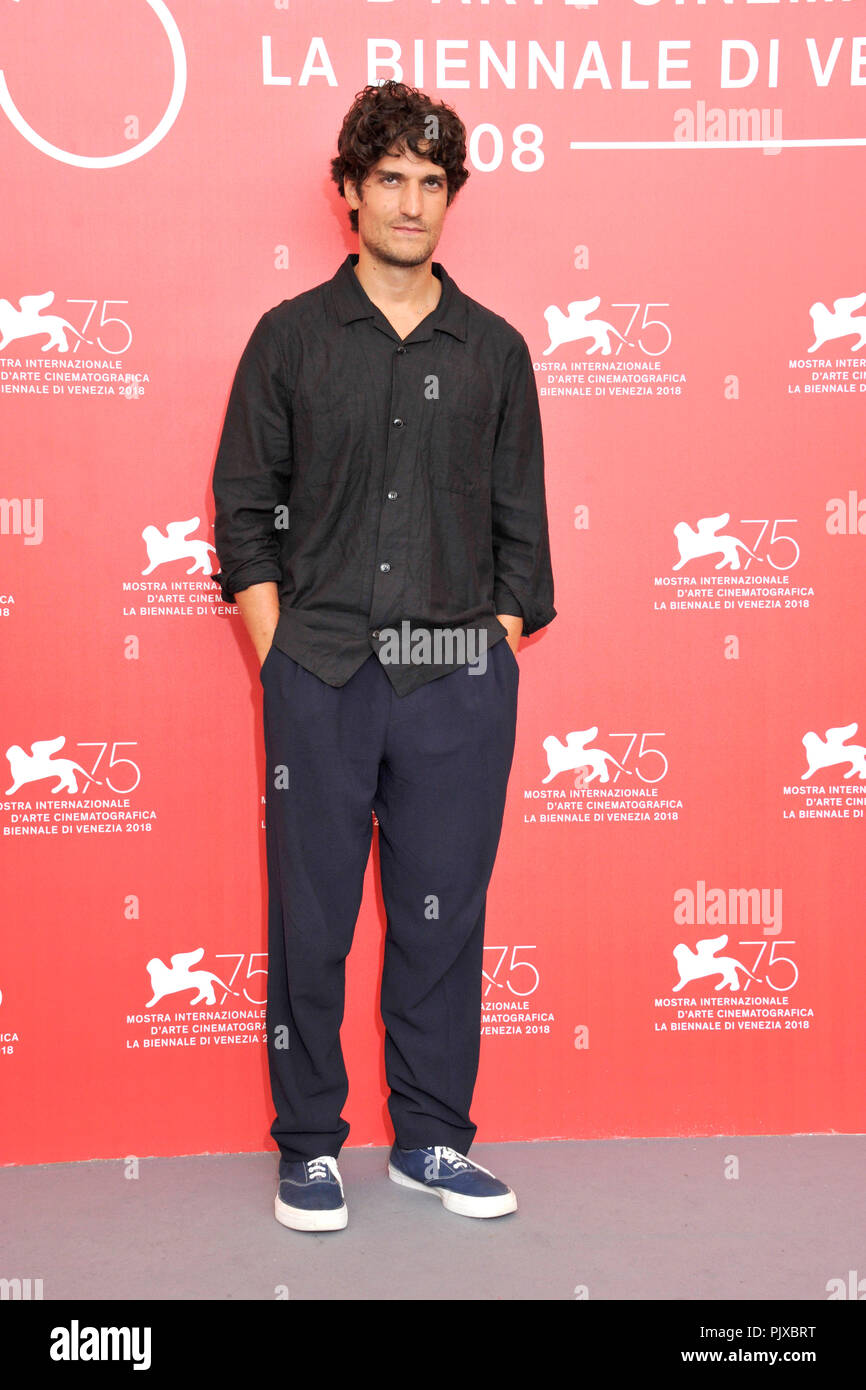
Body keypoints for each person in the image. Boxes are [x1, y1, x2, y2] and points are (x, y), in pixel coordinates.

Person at [211, 80, 556, 1232]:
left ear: (449, 196)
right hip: (320, 671)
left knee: (442, 916)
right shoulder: (289, 339)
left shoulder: (495, 350)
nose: (412, 201)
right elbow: (243, 508)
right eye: (391, 178)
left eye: (431, 180)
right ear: (348, 194)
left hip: (453, 681)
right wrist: (279, 656)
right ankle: (308, 1144)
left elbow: (521, 530)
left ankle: (430, 1140)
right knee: (309, 917)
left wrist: (490, 649)